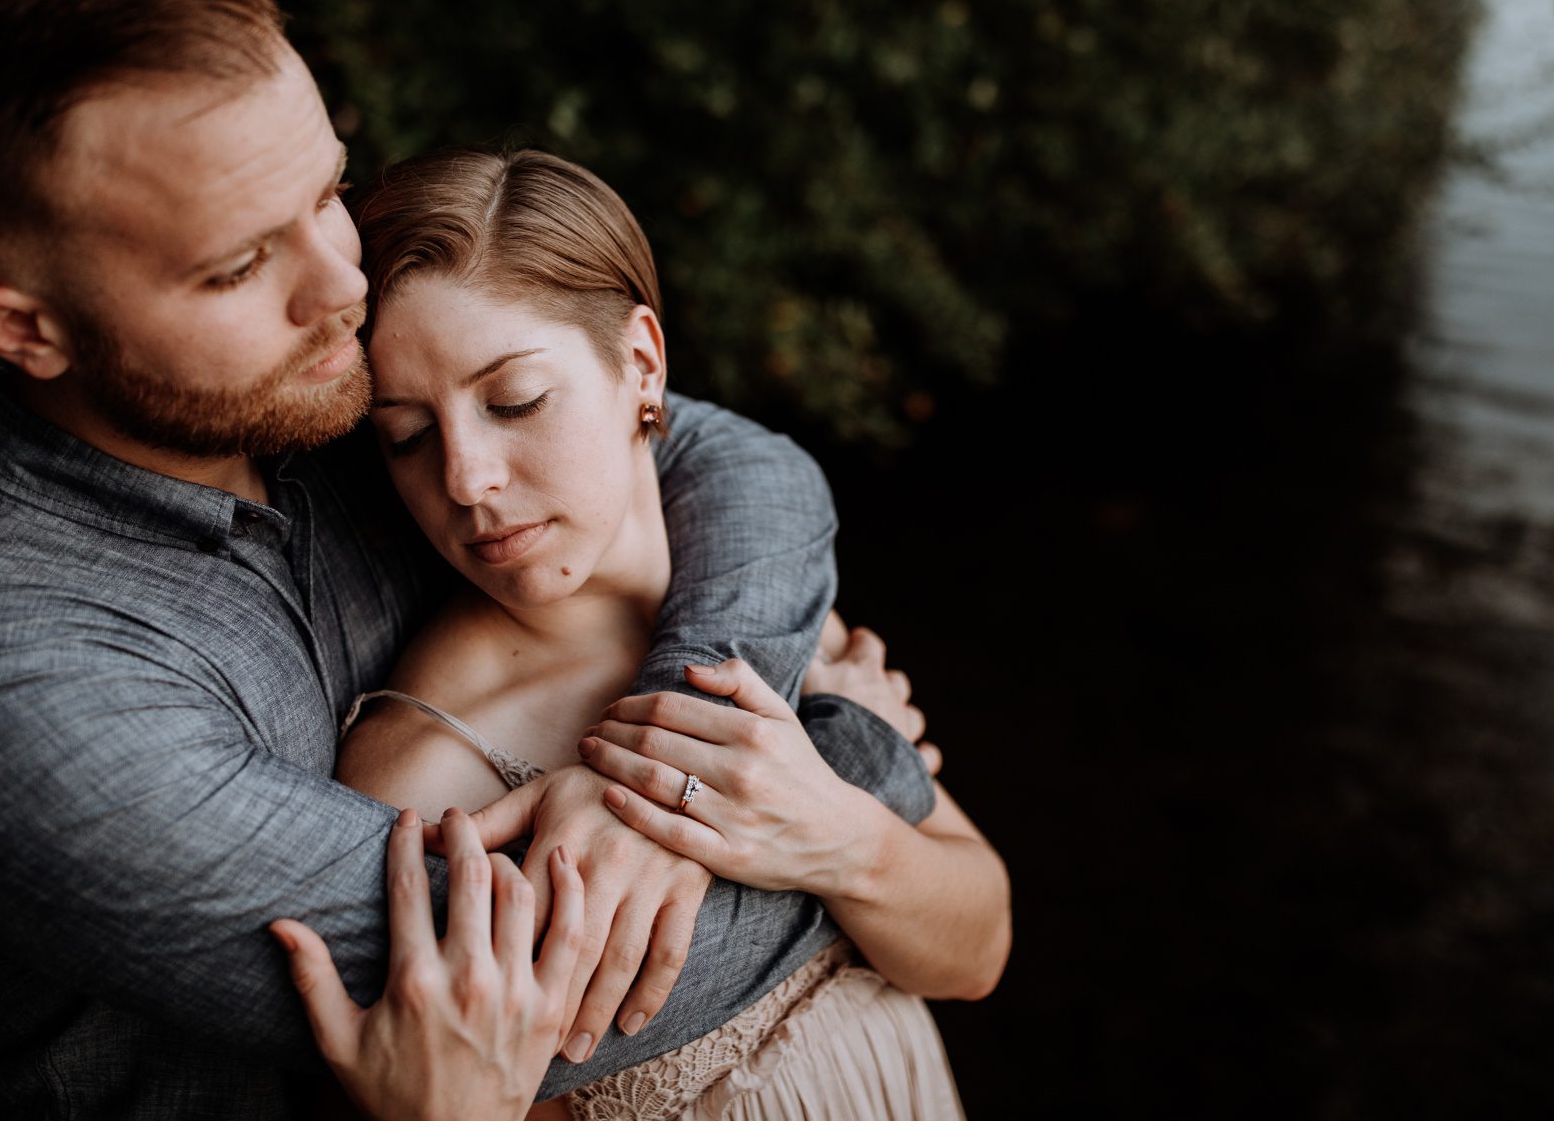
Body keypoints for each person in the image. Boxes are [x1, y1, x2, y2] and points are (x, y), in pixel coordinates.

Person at [0, 0, 935, 1117]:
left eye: (328, 189)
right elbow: (545, 995)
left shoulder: (319, 382)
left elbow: (722, 451)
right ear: (22, 331)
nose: (342, 284)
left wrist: (680, 748)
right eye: (236, 266)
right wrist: (843, 760)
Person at [278, 147, 1011, 1116]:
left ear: (641, 362)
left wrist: (831, 827)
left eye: (514, 401)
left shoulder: (749, 613)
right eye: (407, 434)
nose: (465, 478)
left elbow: (976, 947)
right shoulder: (422, 777)